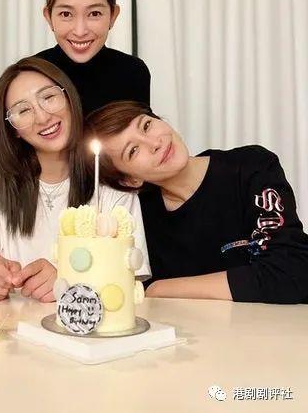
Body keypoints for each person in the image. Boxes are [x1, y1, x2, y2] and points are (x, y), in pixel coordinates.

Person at [85, 101, 308, 303]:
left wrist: (159, 288)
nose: (154, 143)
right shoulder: (139, 217)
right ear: (130, 180)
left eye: (146, 125)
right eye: (133, 150)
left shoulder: (251, 167)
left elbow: (292, 271)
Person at [0, 58, 149, 301]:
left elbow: (132, 285)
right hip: (15, 323)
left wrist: (67, 280)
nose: (43, 117)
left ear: (69, 97)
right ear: (13, 129)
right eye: (23, 110)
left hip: (91, 326)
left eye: (49, 97)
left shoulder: (110, 179)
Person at [36, 0, 151, 115]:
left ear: (113, 16)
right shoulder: (30, 75)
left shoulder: (133, 72)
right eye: (66, 14)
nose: (80, 31)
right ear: (49, 17)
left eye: (94, 13)